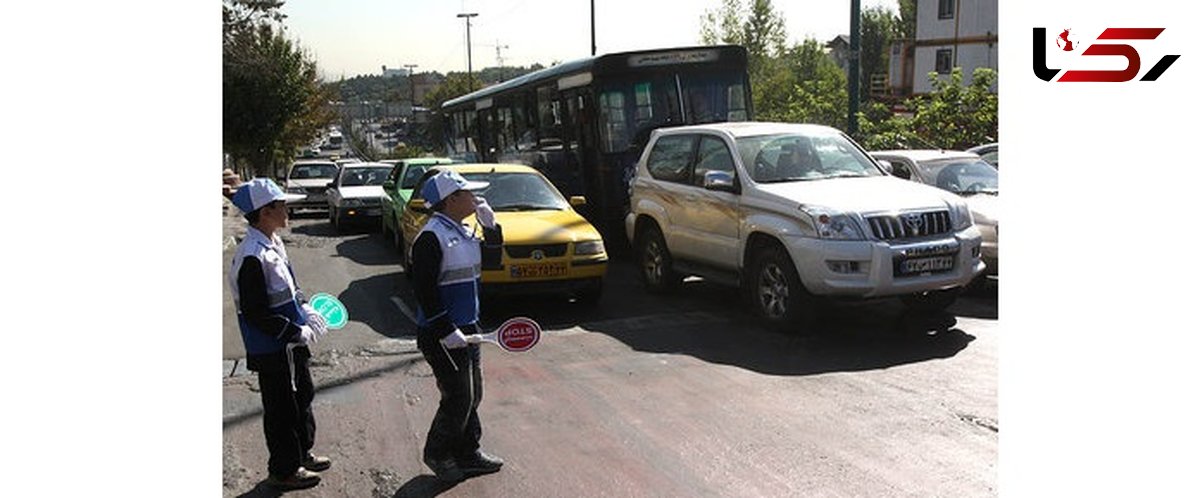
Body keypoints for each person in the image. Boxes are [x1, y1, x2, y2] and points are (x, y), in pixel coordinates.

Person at [228, 178, 333, 491]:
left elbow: (291, 285)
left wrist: (306, 307)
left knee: (303, 396)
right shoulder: (251, 256)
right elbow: (255, 311)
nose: (288, 209)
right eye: (282, 205)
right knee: (281, 410)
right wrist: (293, 331)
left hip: (291, 345)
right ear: (264, 211)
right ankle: (285, 468)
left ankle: (302, 453)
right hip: (272, 349)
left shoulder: (272, 242)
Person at [409, 170, 505, 482]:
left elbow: (490, 264)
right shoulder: (431, 237)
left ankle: (468, 452)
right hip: (444, 334)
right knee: (458, 396)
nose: (476, 198)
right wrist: (445, 329)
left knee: (473, 394)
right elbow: (424, 290)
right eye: (468, 193)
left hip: (469, 327)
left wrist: (492, 231)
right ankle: (438, 453)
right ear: (451, 200)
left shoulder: (464, 231)